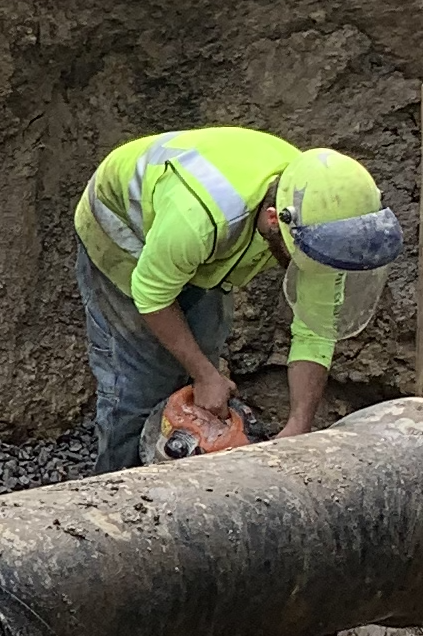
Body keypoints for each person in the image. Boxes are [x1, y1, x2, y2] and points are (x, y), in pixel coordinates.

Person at [70, 130, 402, 471]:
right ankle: (113, 489)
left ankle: (182, 475)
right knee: (140, 381)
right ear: (274, 220)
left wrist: (298, 426)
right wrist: (204, 375)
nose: (315, 269)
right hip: (122, 225)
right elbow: (151, 294)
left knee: (201, 358)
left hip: (197, 248)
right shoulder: (200, 219)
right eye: (305, 257)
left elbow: (315, 332)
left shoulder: (318, 221)